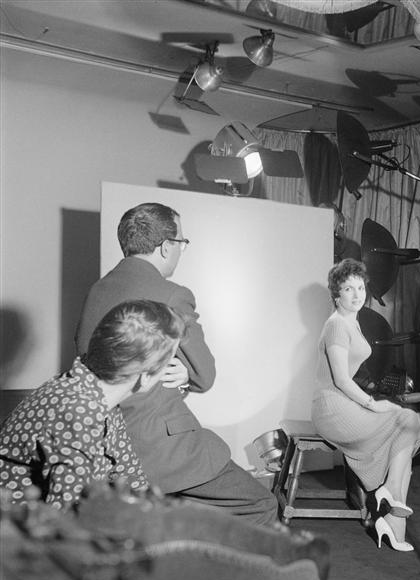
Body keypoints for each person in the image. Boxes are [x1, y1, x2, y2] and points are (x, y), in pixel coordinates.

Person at [74, 203, 278, 526]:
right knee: (261, 504)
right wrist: (187, 376)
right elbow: (205, 374)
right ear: (166, 246)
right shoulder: (172, 295)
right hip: (161, 447)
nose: (181, 250)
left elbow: (98, 361)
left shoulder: (96, 290)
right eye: (182, 242)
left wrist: (174, 374)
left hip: (104, 444)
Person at [0, 299, 185, 508]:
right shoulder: (77, 412)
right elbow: (69, 513)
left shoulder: (101, 394)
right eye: (170, 360)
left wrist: (148, 509)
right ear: (146, 377)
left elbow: (130, 476)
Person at [311, 259, 420, 552]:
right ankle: (392, 507)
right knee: (407, 423)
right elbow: (341, 379)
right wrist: (372, 405)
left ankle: (393, 515)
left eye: (360, 288)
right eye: (348, 289)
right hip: (331, 408)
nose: (357, 294)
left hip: (344, 404)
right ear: (336, 294)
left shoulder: (352, 322)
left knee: (408, 425)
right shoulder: (337, 325)